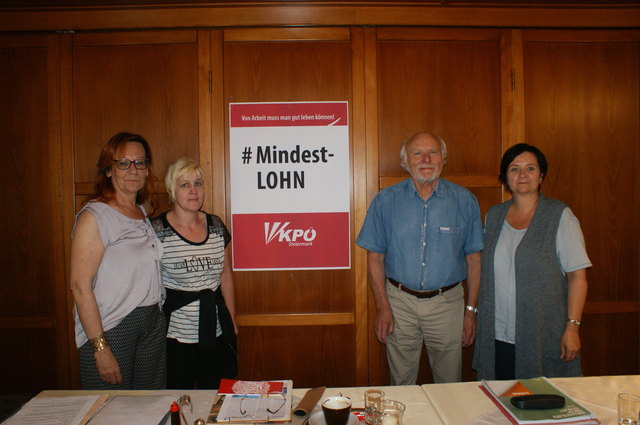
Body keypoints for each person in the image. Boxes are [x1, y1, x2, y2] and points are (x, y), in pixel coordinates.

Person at [356, 132, 484, 384]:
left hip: (447, 305)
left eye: (433, 152)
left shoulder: (464, 201)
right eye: (417, 153)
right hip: (399, 303)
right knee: (401, 386)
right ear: (405, 162)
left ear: (443, 158)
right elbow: (375, 258)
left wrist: (470, 312)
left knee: (450, 387)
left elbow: (474, 260)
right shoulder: (385, 201)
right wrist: (383, 308)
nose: (426, 159)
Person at [472, 143, 591, 380]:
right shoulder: (493, 216)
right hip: (496, 335)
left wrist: (572, 327)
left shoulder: (559, 216)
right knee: (499, 406)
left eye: (530, 168)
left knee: (540, 408)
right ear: (505, 177)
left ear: (541, 175)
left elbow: (578, 278)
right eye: (514, 169)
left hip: (541, 335)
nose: (522, 175)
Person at [70, 132, 166, 389]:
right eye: (123, 163)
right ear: (109, 170)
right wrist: (100, 347)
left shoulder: (141, 212)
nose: (132, 170)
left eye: (140, 162)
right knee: (109, 409)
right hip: (113, 326)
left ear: (147, 169)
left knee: (148, 407)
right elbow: (80, 287)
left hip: (152, 322)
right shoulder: (94, 216)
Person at [151, 157, 238, 389]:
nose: (193, 191)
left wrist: (232, 319)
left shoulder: (216, 225)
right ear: (171, 189)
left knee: (217, 395)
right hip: (175, 335)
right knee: (178, 397)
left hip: (216, 329)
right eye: (185, 184)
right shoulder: (157, 230)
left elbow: (226, 275)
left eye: (198, 184)